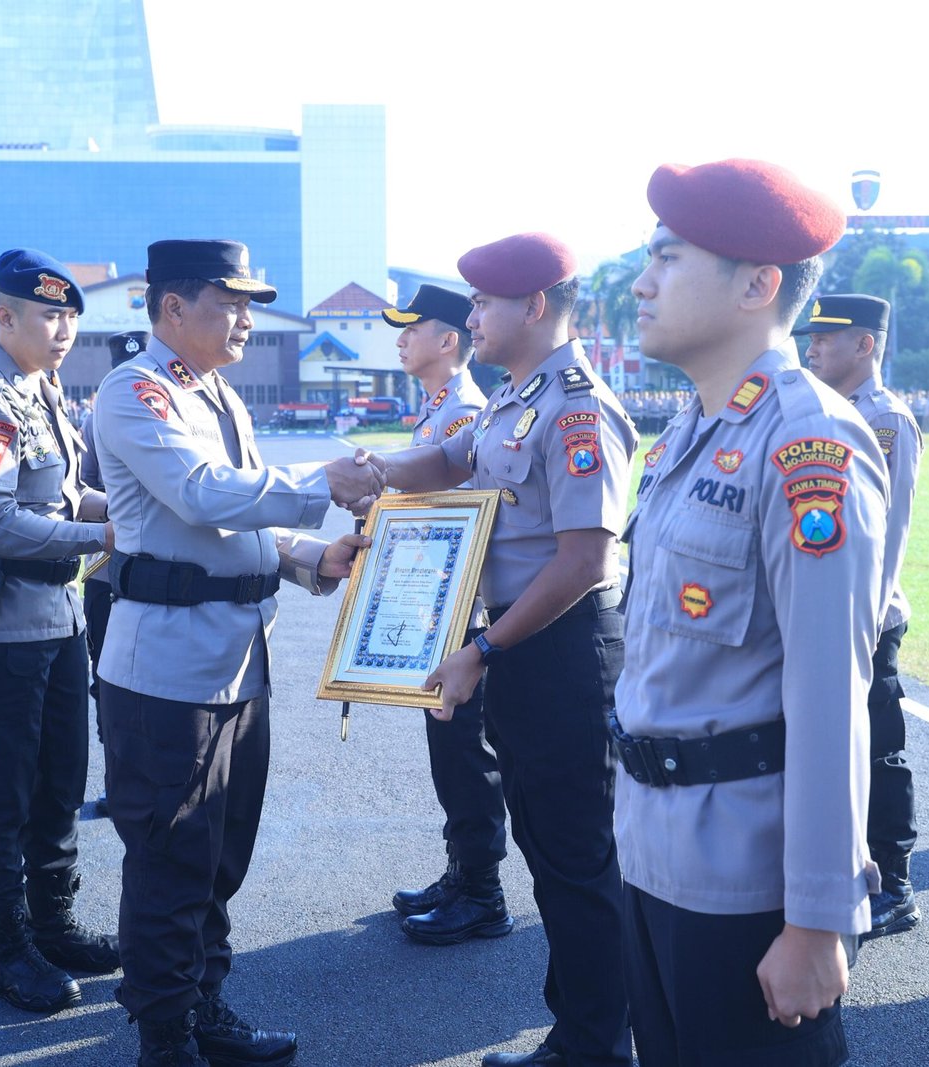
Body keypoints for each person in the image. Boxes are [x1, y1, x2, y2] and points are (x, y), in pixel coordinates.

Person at [614, 159, 888, 1067]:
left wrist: (818, 919)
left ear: (759, 285)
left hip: (744, 879)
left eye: (668, 258)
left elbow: (830, 697)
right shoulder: (691, 432)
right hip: (652, 852)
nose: (642, 282)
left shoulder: (809, 441)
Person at [90, 239, 380, 1067]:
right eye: (231, 302)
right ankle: (166, 1036)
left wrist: (308, 555)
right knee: (170, 856)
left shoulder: (217, 393)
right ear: (173, 309)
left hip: (235, 659)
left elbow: (239, 519)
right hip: (166, 673)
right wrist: (325, 483)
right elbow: (202, 494)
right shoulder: (133, 392)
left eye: (251, 303)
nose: (248, 318)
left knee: (220, 855)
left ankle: (203, 1002)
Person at [376, 232, 638, 1066]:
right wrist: (373, 471)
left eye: (485, 302)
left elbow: (585, 558)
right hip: (524, 651)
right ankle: (582, 1030)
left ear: (534, 305)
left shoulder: (577, 406)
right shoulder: (509, 397)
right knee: (548, 847)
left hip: (561, 651)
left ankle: (596, 1043)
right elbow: (451, 459)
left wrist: (483, 647)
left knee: (578, 857)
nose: (473, 316)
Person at [0, 248, 120, 1013]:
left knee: (59, 784)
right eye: (49, 314)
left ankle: (54, 923)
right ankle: (4, 950)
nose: (64, 329)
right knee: (4, 795)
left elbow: (67, 494)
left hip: (56, 616)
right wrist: (106, 540)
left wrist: (126, 510)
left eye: (71, 316)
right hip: (0, 626)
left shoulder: (42, 390)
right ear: (4, 318)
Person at [380, 284, 512, 945]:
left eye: (411, 329)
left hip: (461, 605)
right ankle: (462, 870)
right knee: (446, 744)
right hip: (435, 599)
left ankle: (482, 890)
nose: (400, 339)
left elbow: (450, 502)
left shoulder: (464, 413)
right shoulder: (438, 408)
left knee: (464, 748)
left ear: (448, 340)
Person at [794, 293, 924, 940]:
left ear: (865, 345)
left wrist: (866, 623)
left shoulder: (883, 421)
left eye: (824, 337)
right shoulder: (821, 414)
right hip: (826, 614)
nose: (810, 346)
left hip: (868, 618)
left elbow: (890, 534)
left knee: (879, 749)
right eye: (809, 336)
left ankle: (895, 883)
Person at [79, 331, 151, 817]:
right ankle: (117, 779)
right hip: (106, 573)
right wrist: (120, 512)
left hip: (157, 574)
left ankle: (150, 777)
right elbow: (78, 490)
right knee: (106, 680)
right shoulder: (93, 419)